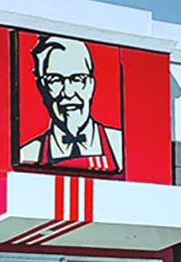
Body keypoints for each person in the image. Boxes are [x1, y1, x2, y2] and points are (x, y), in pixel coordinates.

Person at [15, 35, 123, 173]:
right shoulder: (28, 154)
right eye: (55, 80)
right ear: (42, 87)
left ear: (91, 85)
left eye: (77, 79)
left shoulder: (119, 145)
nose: (68, 92)